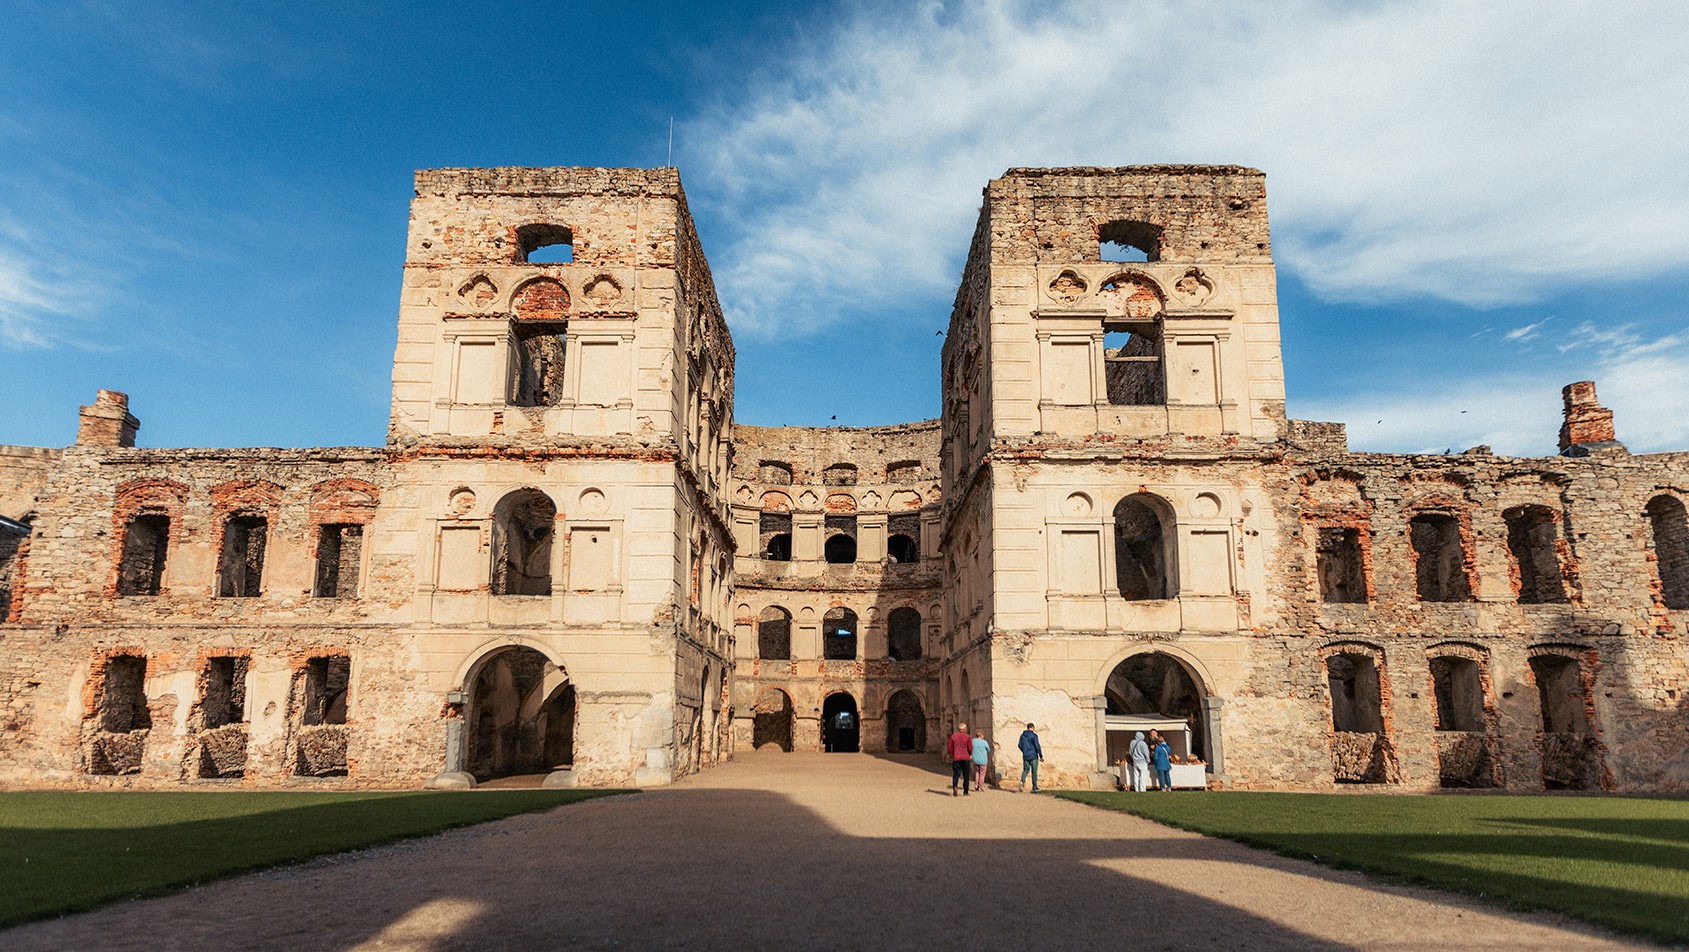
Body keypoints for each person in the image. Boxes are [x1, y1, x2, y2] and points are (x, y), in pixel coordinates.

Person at [947, 723, 972, 796]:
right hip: (965, 757)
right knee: (966, 775)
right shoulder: (967, 737)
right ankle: (966, 791)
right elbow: (970, 748)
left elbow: (949, 748)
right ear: (964, 729)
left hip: (957, 757)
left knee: (956, 774)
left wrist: (952, 753)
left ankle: (955, 786)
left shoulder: (953, 736)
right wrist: (970, 753)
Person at [1017, 722, 1043, 792]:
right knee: (1034, 772)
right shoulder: (1034, 736)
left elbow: (1019, 745)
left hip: (1025, 756)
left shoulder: (1022, 736)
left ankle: (1022, 781)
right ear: (1032, 727)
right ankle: (1034, 787)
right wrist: (1041, 755)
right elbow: (1037, 746)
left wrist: (1024, 751)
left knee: (1025, 770)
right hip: (1033, 755)